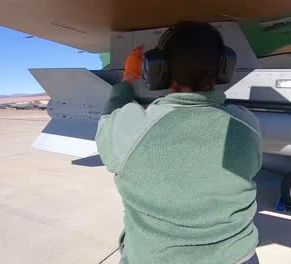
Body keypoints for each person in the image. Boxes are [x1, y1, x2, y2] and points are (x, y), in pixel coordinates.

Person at [96, 21, 262, 264]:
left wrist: (129, 77)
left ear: (157, 70)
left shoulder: (130, 127)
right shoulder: (247, 125)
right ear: (224, 68)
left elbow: (107, 121)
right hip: (238, 257)